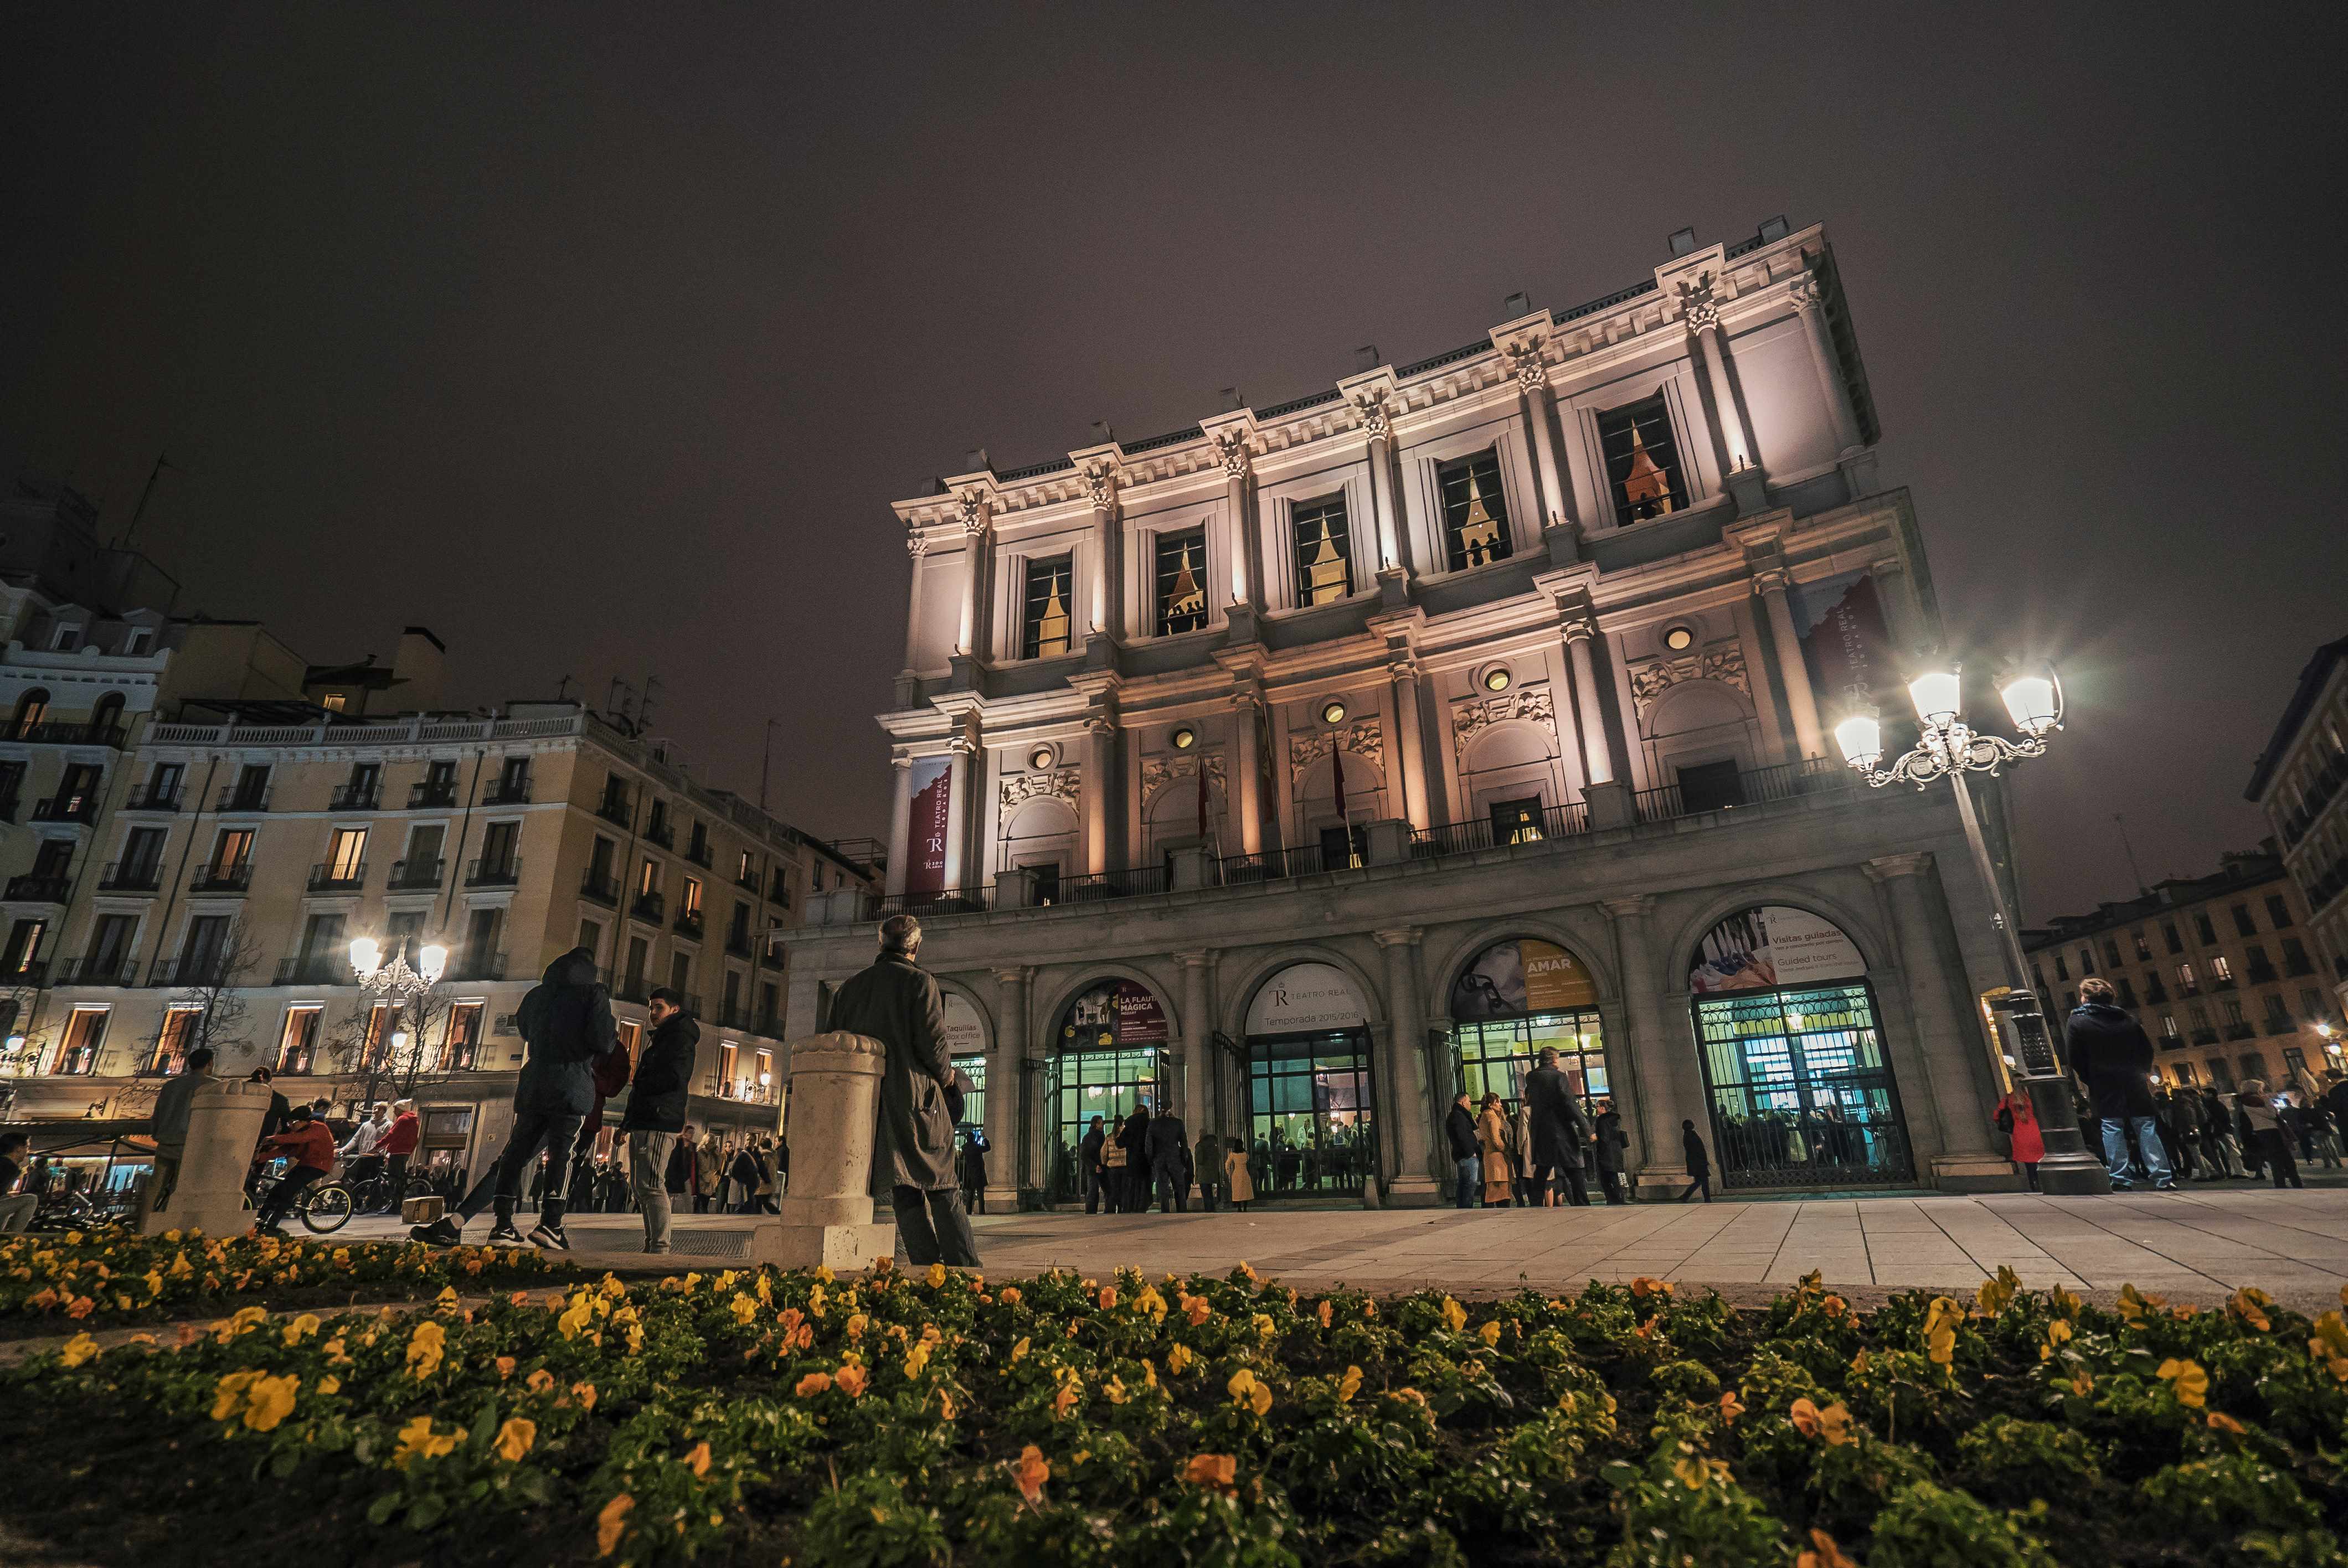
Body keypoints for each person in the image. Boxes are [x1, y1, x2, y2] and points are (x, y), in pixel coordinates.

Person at [411, 946, 620, 1250]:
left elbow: (524, 1029)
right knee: (562, 1156)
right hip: (571, 1088)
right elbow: (604, 1043)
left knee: (512, 1158)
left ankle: (500, 1225)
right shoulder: (593, 995)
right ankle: (551, 1224)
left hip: (534, 1083)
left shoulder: (537, 995)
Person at [823, 914, 979, 1266]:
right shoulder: (920, 982)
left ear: (881, 944)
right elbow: (933, 1045)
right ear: (916, 946)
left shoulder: (849, 987)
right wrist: (949, 1080)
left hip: (872, 1102)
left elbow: (835, 1041)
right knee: (943, 1183)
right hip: (916, 1097)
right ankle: (965, 1268)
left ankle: (926, 1266)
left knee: (903, 1188)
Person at [2065, 977, 2175, 1191]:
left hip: (2102, 1080)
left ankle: (2120, 1178)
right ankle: (2163, 1177)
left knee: (2111, 1126)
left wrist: (2089, 1077)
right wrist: (2140, 1071)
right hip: (2133, 1078)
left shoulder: (2078, 1021)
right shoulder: (2127, 1018)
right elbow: (2147, 1050)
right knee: (2146, 1127)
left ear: (2085, 998)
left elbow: (2074, 1056)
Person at [620, 986, 699, 1254]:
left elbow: (677, 1077)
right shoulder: (664, 1038)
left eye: (659, 1008)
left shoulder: (679, 1039)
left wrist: (644, 1082)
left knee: (652, 1185)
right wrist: (627, 1123)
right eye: (651, 1007)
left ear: (674, 1009)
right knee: (641, 1186)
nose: (653, 1013)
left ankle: (660, 1247)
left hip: (659, 1118)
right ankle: (652, 1245)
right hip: (647, 1117)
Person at [145, 1045, 217, 1218]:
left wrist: (157, 1134)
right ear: (210, 1063)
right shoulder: (213, 1086)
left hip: (165, 1141)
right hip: (190, 1144)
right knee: (179, 1188)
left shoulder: (171, 1085)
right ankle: (168, 1226)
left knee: (155, 1185)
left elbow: (158, 1113)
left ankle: (144, 1222)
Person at [1522, 1048, 1593, 1208]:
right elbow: (1570, 1103)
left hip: (1541, 1132)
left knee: (1542, 1172)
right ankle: (1582, 1203)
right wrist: (1587, 1130)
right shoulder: (1559, 1077)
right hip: (1562, 1131)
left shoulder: (1531, 1077)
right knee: (1574, 1171)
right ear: (1554, 1059)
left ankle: (1535, 1205)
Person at [253, 1105, 336, 1235]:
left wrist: (273, 1139)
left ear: (303, 1121)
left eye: (293, 1123)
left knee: (288, 1191)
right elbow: (286, 1150)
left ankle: (272, 1224)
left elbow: (301, 1138)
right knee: (276, 1190)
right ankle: (260, 1219)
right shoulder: (299, 1133)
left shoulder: (318, 1128)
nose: (291, 1126)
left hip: (319, 1166)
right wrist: (261, 1158)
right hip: (305, 1164)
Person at [2238, 1080, 2304, 1189]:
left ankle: (2284, 1183)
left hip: (2266, 1132)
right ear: (2255, 1088)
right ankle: (2291, 1183)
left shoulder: (2250, 1101)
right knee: (2283, 1159)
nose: (2262, 1090)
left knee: (2278, 1159)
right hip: (2269, 1131)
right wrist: (2267, 1101)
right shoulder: (2252, 1101)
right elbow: (2272, 1114)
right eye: (2260, 1088)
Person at [1146, 1098, 1192, 1213]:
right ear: (1171, 1108)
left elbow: (1148, 1144)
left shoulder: (1153, 1123)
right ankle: (1182, 1211)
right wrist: (1183, 1158)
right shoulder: (1177, 1123)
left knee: (1163, 1188)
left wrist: (1151, 1159)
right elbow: (1184, 1143)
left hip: (1159, 1159)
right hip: (1175, 1157)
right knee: (1179, 1187)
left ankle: (1165, 1211)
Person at [1995, 1086, 2045, 1190]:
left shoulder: (2009, 1099)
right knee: (2040, 1159)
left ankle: (2034, 1184)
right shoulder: (2031, 1098)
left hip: (2020, 1132)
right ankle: (2044, 1182)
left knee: (2028, 1163)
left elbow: (1996, 1115)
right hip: (2036, 1131)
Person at [377, 1099, 420, 1212]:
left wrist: (378, 1146)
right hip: (405, 1152)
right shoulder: (413, 1121)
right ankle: (397, 1204)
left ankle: (392, 1204)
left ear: (400, 1109)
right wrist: (410, 1152)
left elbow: (392, 1135)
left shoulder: (403, 1119)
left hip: (397, 1152)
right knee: (399, 1178)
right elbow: (416, 1139)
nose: (394, 1110)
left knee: (392, 1178)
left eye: (395, 1108)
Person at [340, 1102, 390, 1192]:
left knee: (374, 1182)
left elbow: (389, 1142)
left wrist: (382, 1153)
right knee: (359, 1182)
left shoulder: (388, 1125)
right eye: (375, 1108)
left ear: (384, 1111)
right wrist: (344, 1149)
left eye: (379, 1109)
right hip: (363, 1157)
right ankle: (356, 1203)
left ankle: (371, 1203)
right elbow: (356, 1139)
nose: (375, 1111)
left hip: (377, 1158)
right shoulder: (366, 1125)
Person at [1476, 1091, 1514, 1208]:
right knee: (1500, 1190)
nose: (1500, 1105)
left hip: (1490, 1155)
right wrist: (1506, 1150)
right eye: (1497, 1102)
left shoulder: (1484, 1115)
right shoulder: (1492, 1117)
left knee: (1493, 1190)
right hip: (1497, 1157)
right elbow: (1496, 1139)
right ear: (1490, 1104)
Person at [1445, 1090, 1480, 1210]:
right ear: (1464, 1102)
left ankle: (1462, 1208)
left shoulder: (1455, 1115)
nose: (1470, 1104)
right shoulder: (1459, 1116)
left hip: (1462, 1155)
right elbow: (1462, 1136)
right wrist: (1472, 1153)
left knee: (1464, 1183)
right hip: (1467, 1156)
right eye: (1469, 1101)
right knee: (1470, 1184)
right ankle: (1466, 1208)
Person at [1119, 1102, 1153, 1214]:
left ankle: (1131, 1206)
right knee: (1144, 1183)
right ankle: (1142, 1206)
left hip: (1132, 1158)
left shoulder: (1129, 1125)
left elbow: (1120, 1143)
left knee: (1132, 1184)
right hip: (1146, 1158)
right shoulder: (1150, 1124)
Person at [1593, 1100, 1629, 1205]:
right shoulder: (1615, 1119)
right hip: (1616, 1152)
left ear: (1602, 1108)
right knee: (1617, 1176)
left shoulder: (1602, 1120)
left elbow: (1604, 1138)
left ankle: (1612, 1200)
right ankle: (1621, 1198)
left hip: (1606, 1154)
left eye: (1597, 1107)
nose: (1596, 1109)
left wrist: (1596, 1138)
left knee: (1606, 1179)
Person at [0, 1132, 34, 1234]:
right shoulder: (6, 1165)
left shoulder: (7, 1165)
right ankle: (14, 1238)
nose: (28, 1151)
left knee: (7, 1198)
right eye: (27, 1147)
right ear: (19, 1148)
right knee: (31, 1200)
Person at [1080, 1115, 1109, 1215]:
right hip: (1094, 1169)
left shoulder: (1102, 1136)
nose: (1103, 1124)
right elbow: (1084, 1155)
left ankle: (1107, 1210)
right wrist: (1094, 1166)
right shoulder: (1089, 1138)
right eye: (1101, 1123)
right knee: (1093, 1191)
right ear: (1096, 1124)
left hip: (1102, 1167)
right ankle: (1091, 1212)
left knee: (1107, 1190)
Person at [1678, 1120, 1713, 1202]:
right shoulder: (1691, 1136)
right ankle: (1707, 1199)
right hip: (1698, 1162)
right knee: (1704, 1181)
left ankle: (1685, 1196)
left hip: (1695, 1162)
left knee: (1699, 1181)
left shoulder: (1688, 1135)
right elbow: (1699, 1150)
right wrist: (1704, 1161)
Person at [1101, 1117, 1131, 1213]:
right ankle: (1125, 1209)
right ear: (1123, 1123)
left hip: (1113, 1167)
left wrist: (1105, 1163)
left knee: (1114, 1190)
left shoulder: (1109, 1137)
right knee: (1125, 1190)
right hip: (1125, 1166)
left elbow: (1104, 1153)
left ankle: (1111, 1209)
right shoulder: (1127, 1136)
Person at [1193, 1125, 1222, 1213]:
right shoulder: (1214, 1145)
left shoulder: (1200, 1145)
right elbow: (1218, 1157)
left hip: (1203, 1173)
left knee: (1205, 1193)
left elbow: (1199, 1160)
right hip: (1212, 1173)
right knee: (1210, 1192)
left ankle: (1208, 1210)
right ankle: (1212, 1209)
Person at [960, 1130, 988, 1215]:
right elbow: (988, 1148)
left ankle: (968, 1211)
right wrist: (985, 1138)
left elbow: (961, 1157)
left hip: (970, 1175)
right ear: (973, 1138)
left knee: (970, 1195)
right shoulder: (977, 1147)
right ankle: (982, 1212)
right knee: (980, 1195)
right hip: (979, 1174)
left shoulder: (964, 1147)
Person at [694, 1129, 723, 1213]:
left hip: (709, 1181)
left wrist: (718, 1156)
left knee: (705, 1204)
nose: (712, 1144)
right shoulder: (699, 1153)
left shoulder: (713, 1154)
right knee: (699, 1203)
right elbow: (694, 1168)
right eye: (710, 1142)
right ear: (705, 1142)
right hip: (700, 1180)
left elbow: (717, 1168)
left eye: (714, 1142)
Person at [1223, 1135, 1254, 1213]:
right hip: (1245, 1172)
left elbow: (1227, 1164)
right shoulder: (1245, 1154)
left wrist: (1229, 1173)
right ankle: (1245, 1208)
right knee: (1245, 1191)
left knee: (1237, 1191)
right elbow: (1248, 1161)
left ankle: (1239, 1208)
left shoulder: (1233, 1154)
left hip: (1236, 1173)